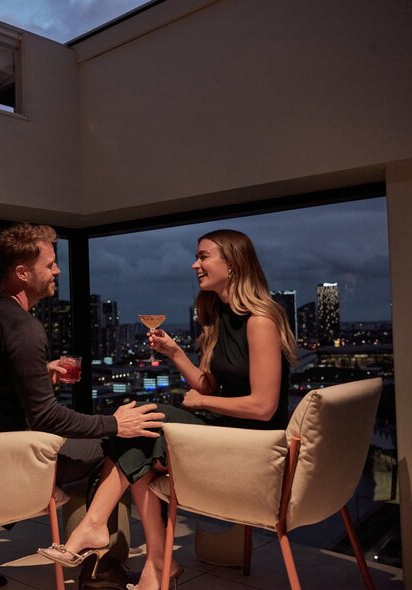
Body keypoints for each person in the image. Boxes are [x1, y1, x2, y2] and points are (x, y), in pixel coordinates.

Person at [38, 229, 298, 590]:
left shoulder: (260, 320)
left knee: (147, 418)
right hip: (225, 429)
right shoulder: (221, 316)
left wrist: (204, 402)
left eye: (204, 256)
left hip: (253, 444)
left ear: (234, 264)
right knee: (139, 433)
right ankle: (156, 564)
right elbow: (209, 384)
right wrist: (175, 354)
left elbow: (264, 407)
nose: (195, 264)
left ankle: (105, 532)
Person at [0, 222, 166, 588]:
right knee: (121, 446)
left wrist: (38, 372)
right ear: (22, 273)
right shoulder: (23, 328)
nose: (57, 271)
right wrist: (114, 424)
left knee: (103, 442)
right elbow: (46, 416)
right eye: (49, 265)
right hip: (4, 464)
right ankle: (101, 569)